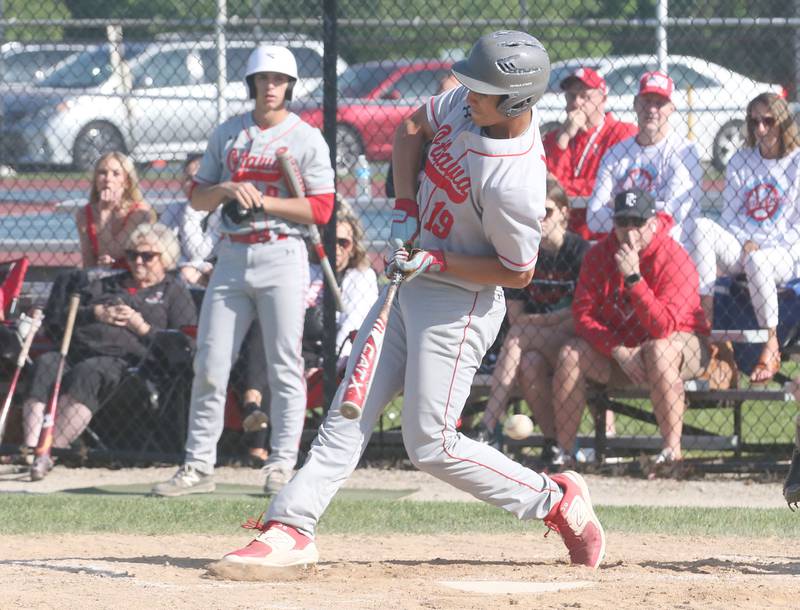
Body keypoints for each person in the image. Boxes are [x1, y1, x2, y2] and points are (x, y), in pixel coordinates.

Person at [209, 31, 605, 576]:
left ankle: (555, 501)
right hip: (410, 277)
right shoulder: (469, 108)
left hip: (459, 302)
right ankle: (291, 526)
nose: (466, 92)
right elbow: (411, 128)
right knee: (350, 407)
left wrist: (437, 262)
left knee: (430, 444)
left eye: (482, 88)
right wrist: (403, 210)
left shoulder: (516, 180)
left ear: (516, 102)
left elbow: (518, 271)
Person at [151, 44, 335, 497]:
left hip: (283, 254)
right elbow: (198, 198)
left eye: (278, 80)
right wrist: (227, 189)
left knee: (284, 367)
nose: (270, 87)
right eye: (262, 79)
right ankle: (197, 466)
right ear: (250, 83)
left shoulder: (306, 137)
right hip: (231, 257)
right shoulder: (228, 133)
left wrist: (263, 199)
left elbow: (323, 208)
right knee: (210, 364)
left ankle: (280, 465)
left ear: (289, 86)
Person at [25, 223, 197, 479]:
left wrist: (142, 327)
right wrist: (96, 312)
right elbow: (64, 318)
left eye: (147, 256)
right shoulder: (107, 285)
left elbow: (183, 347)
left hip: (131, 367)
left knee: (90, 371)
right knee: (46, 363)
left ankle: (49, 453)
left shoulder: (173, 292)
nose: (138, 261)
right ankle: (29, 449)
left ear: (166, 258)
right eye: (132, 255)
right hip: (77, 353)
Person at [552, 189, 710, 466]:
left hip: (680, 342)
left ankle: (671, 453)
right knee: (570, 353)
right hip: (620, 350)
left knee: (660, 351)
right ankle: (565, 455)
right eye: (622, 222)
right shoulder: (599, 254)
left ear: (653, 223)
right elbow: (582, 314)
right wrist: (617, 350)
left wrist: (634, 279)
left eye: (637, 222)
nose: (629, 231)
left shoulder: (674, 257)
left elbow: (663, 327)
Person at [474, 178, 590, 465]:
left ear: (564, 212)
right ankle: (555, 445)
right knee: (529, 363)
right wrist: (547, 321)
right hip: (534, 341)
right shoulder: (525, 252)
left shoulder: (580, 252)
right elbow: (515, 315)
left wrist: (540, 322)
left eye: (547, 211)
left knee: (519, 336)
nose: (540, 219)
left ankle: (487, 426)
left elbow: (580, 314)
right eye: (534, 213)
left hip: (575, 338)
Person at [689, 92, 800, 384]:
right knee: (701, 226)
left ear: (783, 122)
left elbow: (798, 228)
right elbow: (728, 217)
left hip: (783, 252)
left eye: (768, 121)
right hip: (743, 245)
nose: (761, 129)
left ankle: (771, 343)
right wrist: (747, 241)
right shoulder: (742, 159)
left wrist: (761, 245)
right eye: (754, 123)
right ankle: (706, 325)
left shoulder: (797, 161)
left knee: (759, 261)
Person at [586, 71, 703, 246]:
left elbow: (673, 216)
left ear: (671, 108)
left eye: (659, 103)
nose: (652, 109)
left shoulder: (684, 151)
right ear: (635, 104)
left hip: (668, 246)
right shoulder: (615, 154)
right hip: (621, 245)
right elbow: (594, 218)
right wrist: (653, 209)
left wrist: (618, 208)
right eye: (646, 101)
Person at [542, 67, 637, 239]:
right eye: (571, 96)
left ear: (603, 99)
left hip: (602, 235)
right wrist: (563, 139)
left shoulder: (622, 133)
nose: (577, 103)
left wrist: (562, 189)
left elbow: (612, 186)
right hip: (557, 235)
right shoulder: (553, 139)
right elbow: (545, 187)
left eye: (584, 96)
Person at [75, 151, 156, 269]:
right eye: (102, 173)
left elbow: (113, 253)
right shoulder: (84, 214)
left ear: (127, 182)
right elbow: (88, 262)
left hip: (130, 276)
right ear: (96, 180)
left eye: (116, 174)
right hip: (99, 276)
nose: (108, 179)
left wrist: (105, 212)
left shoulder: (139, 213)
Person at [160, 153, 223, 288]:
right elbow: (163, 251)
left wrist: (191, 210)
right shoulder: (172, 210)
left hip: (216, 271)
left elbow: (197, 252)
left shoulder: (221, 211)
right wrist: (192, 267)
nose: (193, 184)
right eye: (188, 178)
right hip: (183, 272)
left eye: (199, 178)